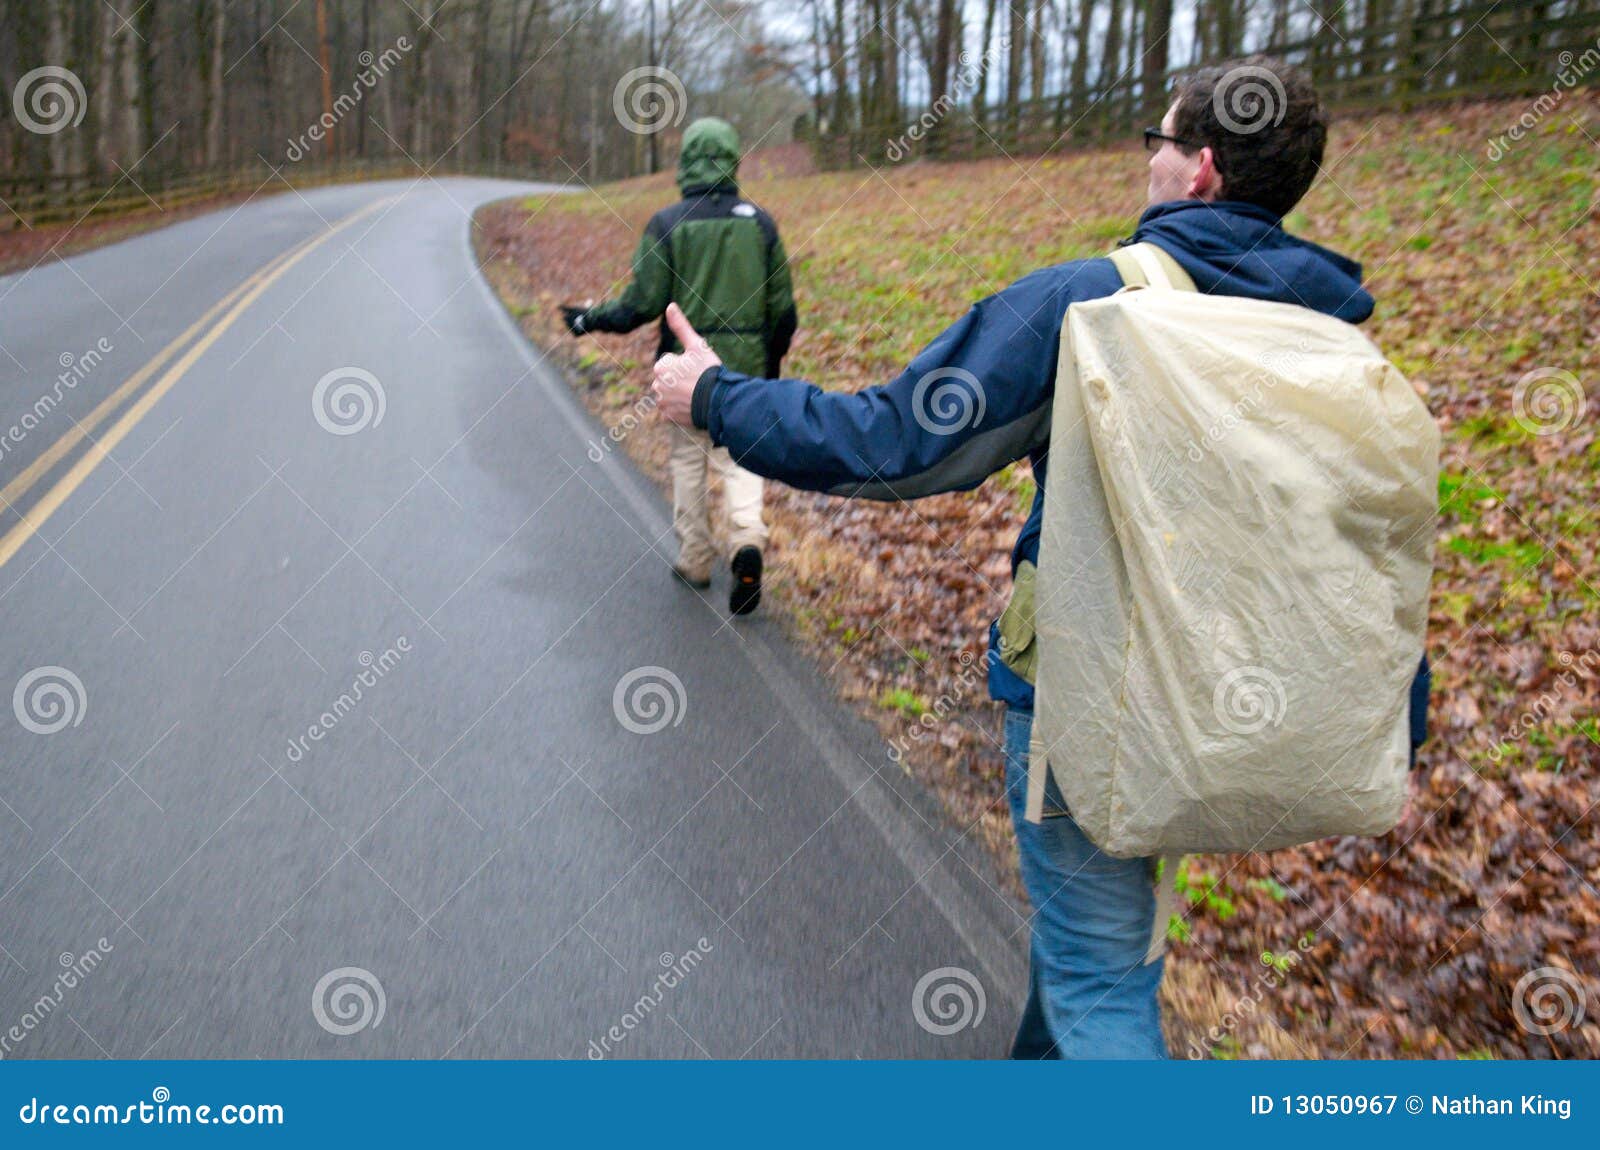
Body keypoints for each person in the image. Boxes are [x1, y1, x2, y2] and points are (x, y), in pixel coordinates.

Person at [651, 58, 1432, 1057]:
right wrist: (1398, 716)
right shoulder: (1329, 334)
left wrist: (716, 398)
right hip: (1250, 700)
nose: (1147, 160)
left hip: (1096, 695)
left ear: (1198, 169)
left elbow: (895, 443)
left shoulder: (1090, 303)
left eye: (1157, 141)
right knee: (1094, 945)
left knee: (1100, 979)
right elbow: (1370, 540)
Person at [563, 116, 797, 615]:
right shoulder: (760, 224)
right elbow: (784, 311)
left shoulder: (666, 224)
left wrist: (588, 319)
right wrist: (770, 367)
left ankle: (695, 559)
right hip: (746, 371)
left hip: (686, 373)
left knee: (689, 460)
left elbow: (640, 304)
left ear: (686, 160)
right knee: (740, 458)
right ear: (733, 158)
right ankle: (747, 541)